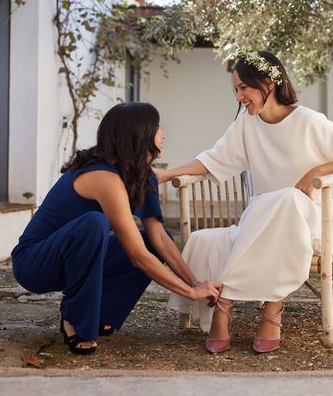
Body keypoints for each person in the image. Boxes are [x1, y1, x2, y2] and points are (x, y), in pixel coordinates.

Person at [163, 51, 333, 354]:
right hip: (261, 220)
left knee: (287, 197)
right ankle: (266, 314)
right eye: (235, 90)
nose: (239, 97)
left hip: (312, 220)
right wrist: (165, 174)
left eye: (244, 88)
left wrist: (316, 171)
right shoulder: (247, 126)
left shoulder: (309, 121)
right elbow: (211, 161)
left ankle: (233, 304)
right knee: (268, 204)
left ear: (268, 83)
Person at [11, 102, 222, 355]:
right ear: (138, 135)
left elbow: (160, 242)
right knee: (95, 223)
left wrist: (196, 283)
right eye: (156, 128)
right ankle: (75, 319)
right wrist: (190, 291)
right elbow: (137, 256)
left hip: (77, 257)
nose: (163, 133)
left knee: (157, 238)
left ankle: (102, 312)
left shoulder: (142, 176)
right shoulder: (104, 177)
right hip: (36, 263)